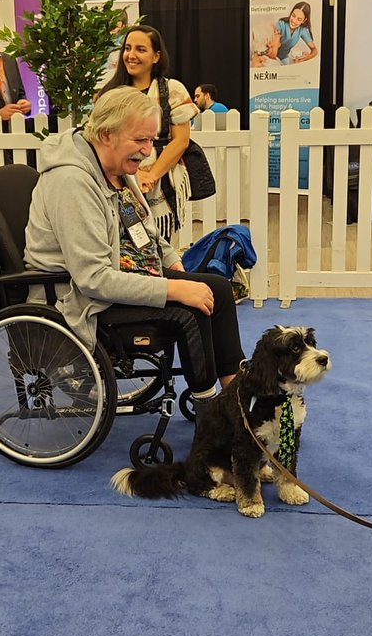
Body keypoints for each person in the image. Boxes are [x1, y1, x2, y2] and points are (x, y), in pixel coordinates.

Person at [24, 87, 244, 412]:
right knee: (191, 308)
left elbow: (141, 228)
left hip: (129, 270)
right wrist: (174, 289)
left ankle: (236, 396)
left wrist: (171, 260)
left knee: (218, 289)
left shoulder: (112, 169)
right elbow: (93, 279)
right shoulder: (72, 182)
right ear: (106, 134)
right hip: (81, 298)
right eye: (140, 139)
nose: (148, 150)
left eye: (152, 140)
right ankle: (210, 411)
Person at [98, 25, 197, 238]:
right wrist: (135, 175)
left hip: (160, 182)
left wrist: (151, 175)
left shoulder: (173, 91)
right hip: (118, 180)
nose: (131, 55)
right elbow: (102, 141)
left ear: (156, 56)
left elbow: (181, 141)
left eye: (140, 49)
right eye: (127, 48)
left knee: (158, 241)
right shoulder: (110, 94)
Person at [251, 2, 318, 67]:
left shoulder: (302, 30)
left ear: (304, 20)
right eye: (293, 16)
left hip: (283, 57)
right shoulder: (281, 25)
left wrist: (306, 58)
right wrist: (256, 58)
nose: (294, 21)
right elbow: (264, 42)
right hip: (272, 56)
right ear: (291, 13)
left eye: (299, 19)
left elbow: (314, 49)